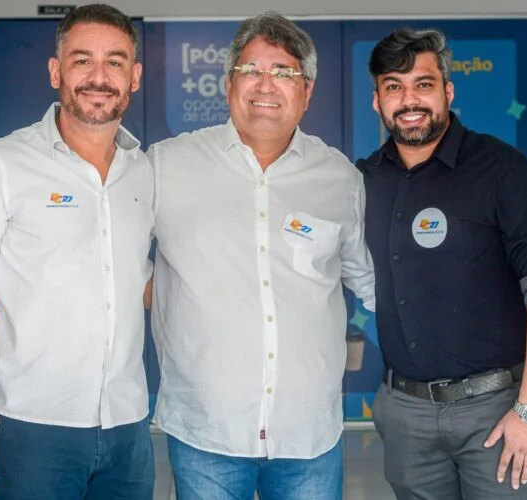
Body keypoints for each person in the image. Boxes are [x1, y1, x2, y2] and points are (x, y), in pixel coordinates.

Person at [147, 12, 375, 500]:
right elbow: (107, 248)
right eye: (250, 70)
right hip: (206, 428)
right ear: (228, 83)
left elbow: (372, 282)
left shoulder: (340, 179)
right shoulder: (167, 165)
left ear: (307, 91)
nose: (265, 84)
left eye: (284, 72)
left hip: (308, 433)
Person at [0, 5, 155, 498]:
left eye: (115, 62)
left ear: (135, 77)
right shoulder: (1, 165)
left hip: (128, 424)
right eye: (82, 60)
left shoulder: (144, 172)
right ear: (56, 71)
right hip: (33, 426)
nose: (99, 77)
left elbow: (139, 281)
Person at [357, 28, 527, 500]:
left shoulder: (503, 170)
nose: (409, 100)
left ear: (448, 91)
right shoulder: (364, 180)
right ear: (377, 100)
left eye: (423, 84)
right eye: (393, 86)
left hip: (494, 412)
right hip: (406, 414)